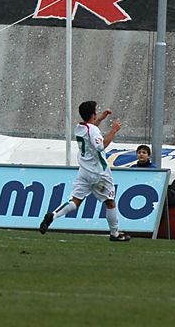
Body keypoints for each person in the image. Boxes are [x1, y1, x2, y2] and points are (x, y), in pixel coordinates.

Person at [39, 101, 131, 242]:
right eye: (96, 111)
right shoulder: (93, 130)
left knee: (75, 201)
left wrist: (100, 119)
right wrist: (113, 130)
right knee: (110, 202)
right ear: (92, 114)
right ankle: (115, 233)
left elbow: (91, 130)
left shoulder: (79, 127)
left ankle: (53, 215)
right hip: (99, 173)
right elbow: (101, 146)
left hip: (84, 171)